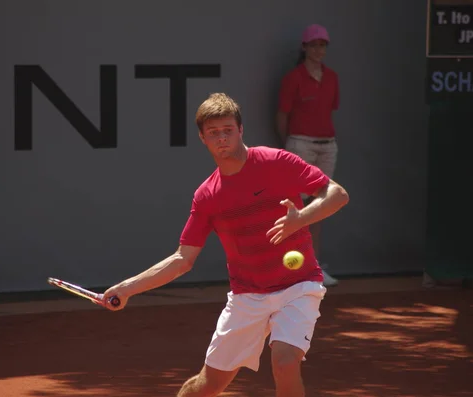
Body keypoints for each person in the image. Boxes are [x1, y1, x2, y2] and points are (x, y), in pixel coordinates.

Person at [102, 93, 349, 396]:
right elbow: (182, 259)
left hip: (298, 285)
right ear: (202, 138)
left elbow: (337, 194)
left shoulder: (277, 161)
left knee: (285, 362)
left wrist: (301, 219)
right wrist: (126, 288)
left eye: (228, 130)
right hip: (247, 295)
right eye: (214, 133)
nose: (222, 138)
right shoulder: (207, 196)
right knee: (208, 385)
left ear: (241, 130)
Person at [276, 24, 341, 287]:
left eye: (323, 45)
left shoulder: (332, 77)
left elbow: (330, 110)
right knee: (296, 205)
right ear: (304, 48)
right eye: (314, 45)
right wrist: (289, 148)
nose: (318, 49)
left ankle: (312, 266)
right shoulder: (293, 78)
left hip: (328, 145)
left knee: (320, 206)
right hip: (299, 145)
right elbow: (282, 115)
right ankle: (289, 267)